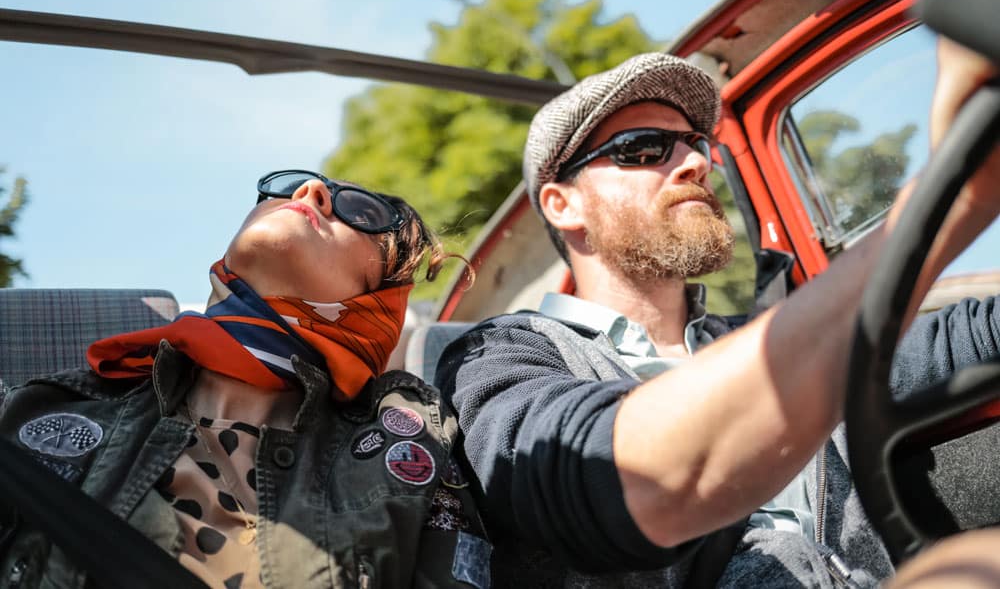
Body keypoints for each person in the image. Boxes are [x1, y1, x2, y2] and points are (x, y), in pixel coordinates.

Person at [435, 43, 1000, 587]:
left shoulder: (753, 338)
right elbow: (618, 479)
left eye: (694, 143)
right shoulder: (498, 356)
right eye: (644, 149)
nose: (695, 163)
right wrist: (946, 205)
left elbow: (964, 336)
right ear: (564, 204)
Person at [0, 170, 490, 589]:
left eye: (361, 211)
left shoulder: (407, 447)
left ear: (379, 310)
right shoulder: (33, 412)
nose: (309, 192)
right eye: (287, 187)